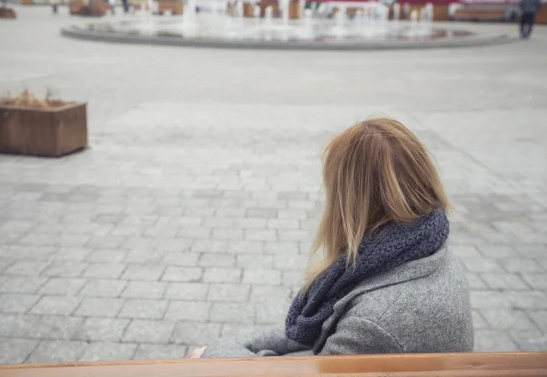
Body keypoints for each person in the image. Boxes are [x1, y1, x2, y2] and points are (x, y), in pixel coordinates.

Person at [189, 118, 473, 359]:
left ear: (350, 203)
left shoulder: (375, 322)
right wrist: (240, 346)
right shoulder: (427, 249)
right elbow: (310, 330)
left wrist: (213, 356)